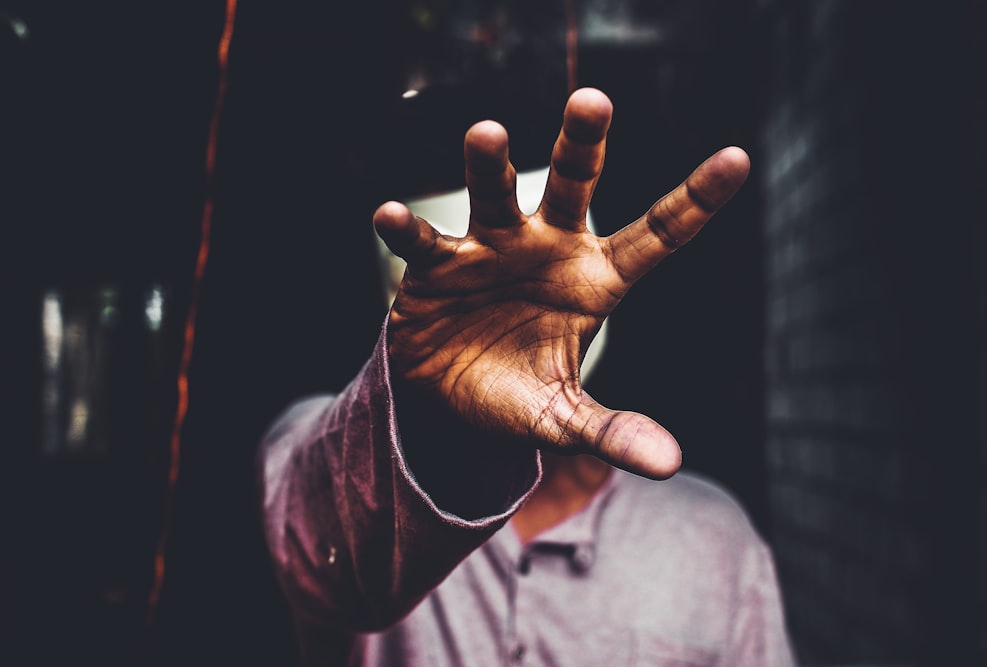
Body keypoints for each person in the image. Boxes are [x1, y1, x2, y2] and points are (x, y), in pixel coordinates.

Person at [258, 87, 796, 666]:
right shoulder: (336, 473)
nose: (501, 314)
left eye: (535, 275)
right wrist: (427, 419)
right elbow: (319, 542)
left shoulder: (713, 540)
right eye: (463, 284)